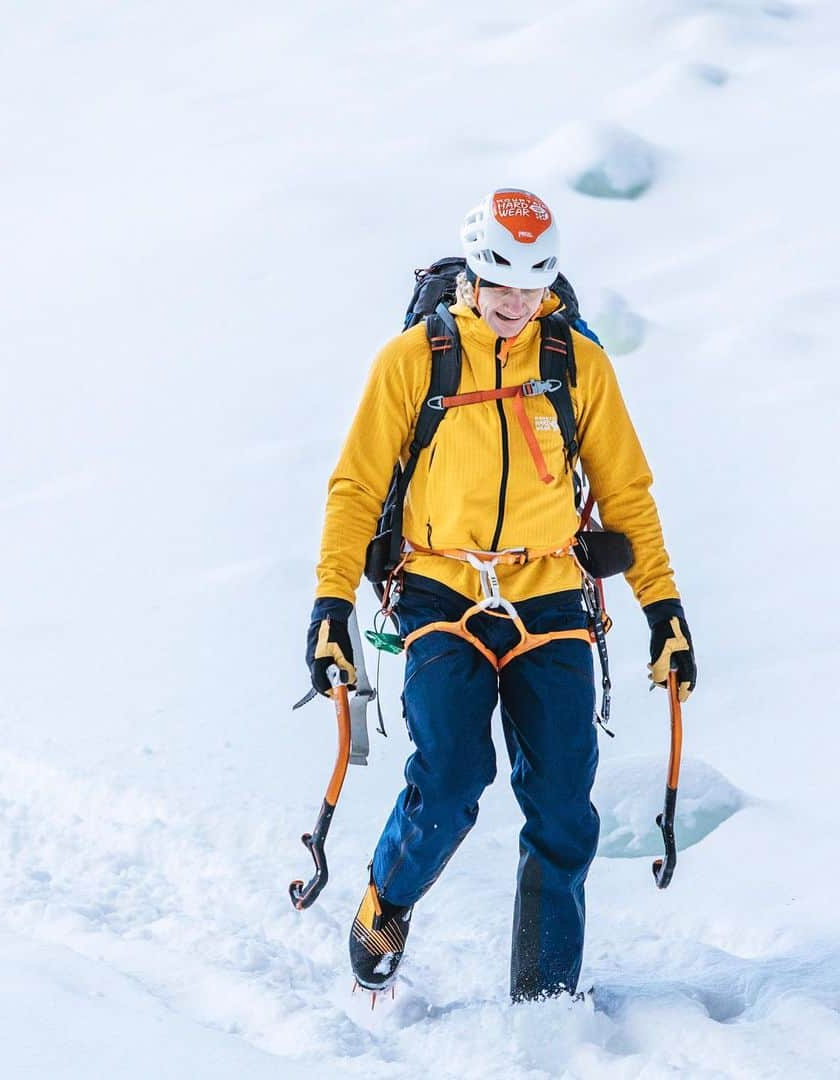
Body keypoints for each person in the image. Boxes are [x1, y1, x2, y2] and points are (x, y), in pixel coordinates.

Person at [305, 188, 696, 1002]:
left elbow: (627, 490)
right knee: (450, 779)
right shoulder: (415, 359)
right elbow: (355, 487)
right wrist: (329, 605)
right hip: (439, 589)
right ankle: (389, 897)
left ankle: (546, 1000)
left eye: (533, 284)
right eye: (500, 282)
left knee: (561, 801)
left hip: (552, 591)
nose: (516, 303)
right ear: (472, 274)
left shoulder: (575, 362)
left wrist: (664, 610)